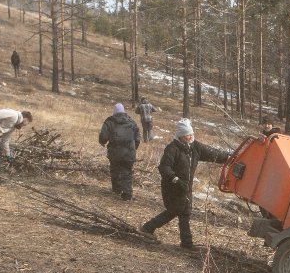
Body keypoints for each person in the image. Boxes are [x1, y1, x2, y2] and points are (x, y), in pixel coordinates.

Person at [140, 119, 230, 250]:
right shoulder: (172, 149)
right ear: (181, 135)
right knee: (178, 211)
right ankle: (184, 243)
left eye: (191, 134)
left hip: (185, 187)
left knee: (182, 212)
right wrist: (176, 179)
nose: (191, 136)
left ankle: (150, 229)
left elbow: (212, 153)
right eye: (187, 134)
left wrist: (229, 157)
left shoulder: (195, 147)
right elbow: (164, 168)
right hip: (172, 186)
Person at [98, 103, 141, 200]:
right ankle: (127, 194)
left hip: (115, 152)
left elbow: (103, 137)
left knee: (115, 170)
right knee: (127, 172)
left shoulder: (109, 121)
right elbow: (138, 137)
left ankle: (116, 189)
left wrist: (102, 142)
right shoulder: (131, 122)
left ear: (114, 112)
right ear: (123, 111)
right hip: (129, 153)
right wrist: (134, 148)